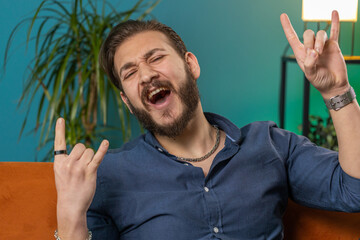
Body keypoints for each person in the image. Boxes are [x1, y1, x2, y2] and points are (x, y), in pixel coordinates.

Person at [53, 11, 360, 240]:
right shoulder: (108, 176)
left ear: (191, 64)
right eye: (130, 72)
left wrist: (337, 92)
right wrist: (70, 214)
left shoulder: (271, 144)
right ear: (127, 101)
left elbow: (354, 191)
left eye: (156, 58)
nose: (146, 75)